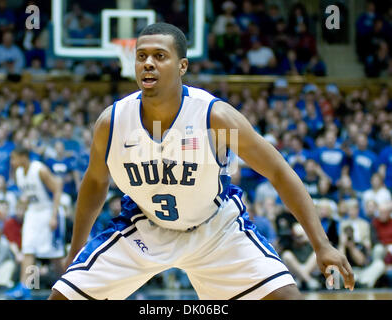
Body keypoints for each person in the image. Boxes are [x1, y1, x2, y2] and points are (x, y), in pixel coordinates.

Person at [49, 23, 354, 300]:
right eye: (141, 56)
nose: (148, 63)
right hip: (144, 227)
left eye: (159, 55)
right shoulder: (112, 122)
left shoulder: (215, 117)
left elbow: (278, 170)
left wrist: (321, 244)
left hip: (215, 228)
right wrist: (76, 250)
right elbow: (95, 182)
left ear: (182, 65)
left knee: (287, 298)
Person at [6, 147, 65, 299]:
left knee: (55, 255)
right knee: (28, 249)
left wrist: (53, 216)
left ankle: (69, 284)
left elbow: (57, 188)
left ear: (23, 157)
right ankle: (25, 288)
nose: (12, 162)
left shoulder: (39, 169)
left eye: (14, 158)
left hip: (48, 211)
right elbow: (28, 196)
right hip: (32, 212)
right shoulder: (19, 173)